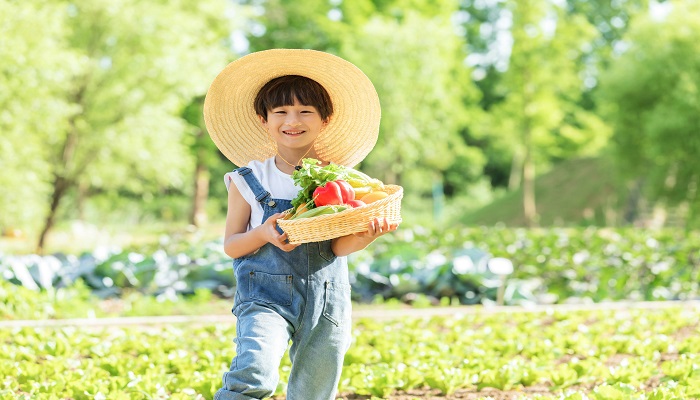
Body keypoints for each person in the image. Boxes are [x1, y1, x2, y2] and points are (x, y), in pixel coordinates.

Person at [203, 49, 400, 400]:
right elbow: (232, 245)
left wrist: (362, 238)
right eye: (281, 111)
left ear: (325, 119)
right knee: (255, 371)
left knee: (315, 389)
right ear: (264, 120)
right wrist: (264, 232)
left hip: (326, 298)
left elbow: (336, 248)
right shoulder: (247, 179)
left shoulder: (339, 182)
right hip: (264, 297)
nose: (292, 120)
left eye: (305, 111)